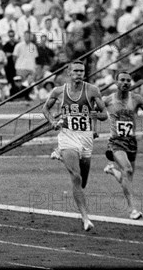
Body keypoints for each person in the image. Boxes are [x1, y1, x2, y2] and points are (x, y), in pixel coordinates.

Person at [42, 60, 108, 231]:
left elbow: (104, 115)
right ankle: (86, 218)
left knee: (83, 181)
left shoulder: (92, 90)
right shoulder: (59, 91)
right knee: (76, 177)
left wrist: (94, 113)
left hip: (86, 137)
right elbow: (45, 109)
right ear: (69, 73)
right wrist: (53, 122)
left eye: (82, 71)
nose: (79, 74)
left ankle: (59, 155)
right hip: (67, 136)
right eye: (76, 71)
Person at [102, 71, 143, 220]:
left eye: (128, 80)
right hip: (116, 142)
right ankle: (132, 209)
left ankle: (112, 170)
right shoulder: (108, 100)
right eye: (122, 80)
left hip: (131, 142)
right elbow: (95, 113)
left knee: (128, 177)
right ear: (116, 83)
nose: (126, 83)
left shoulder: (137, 99)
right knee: (127, 169)